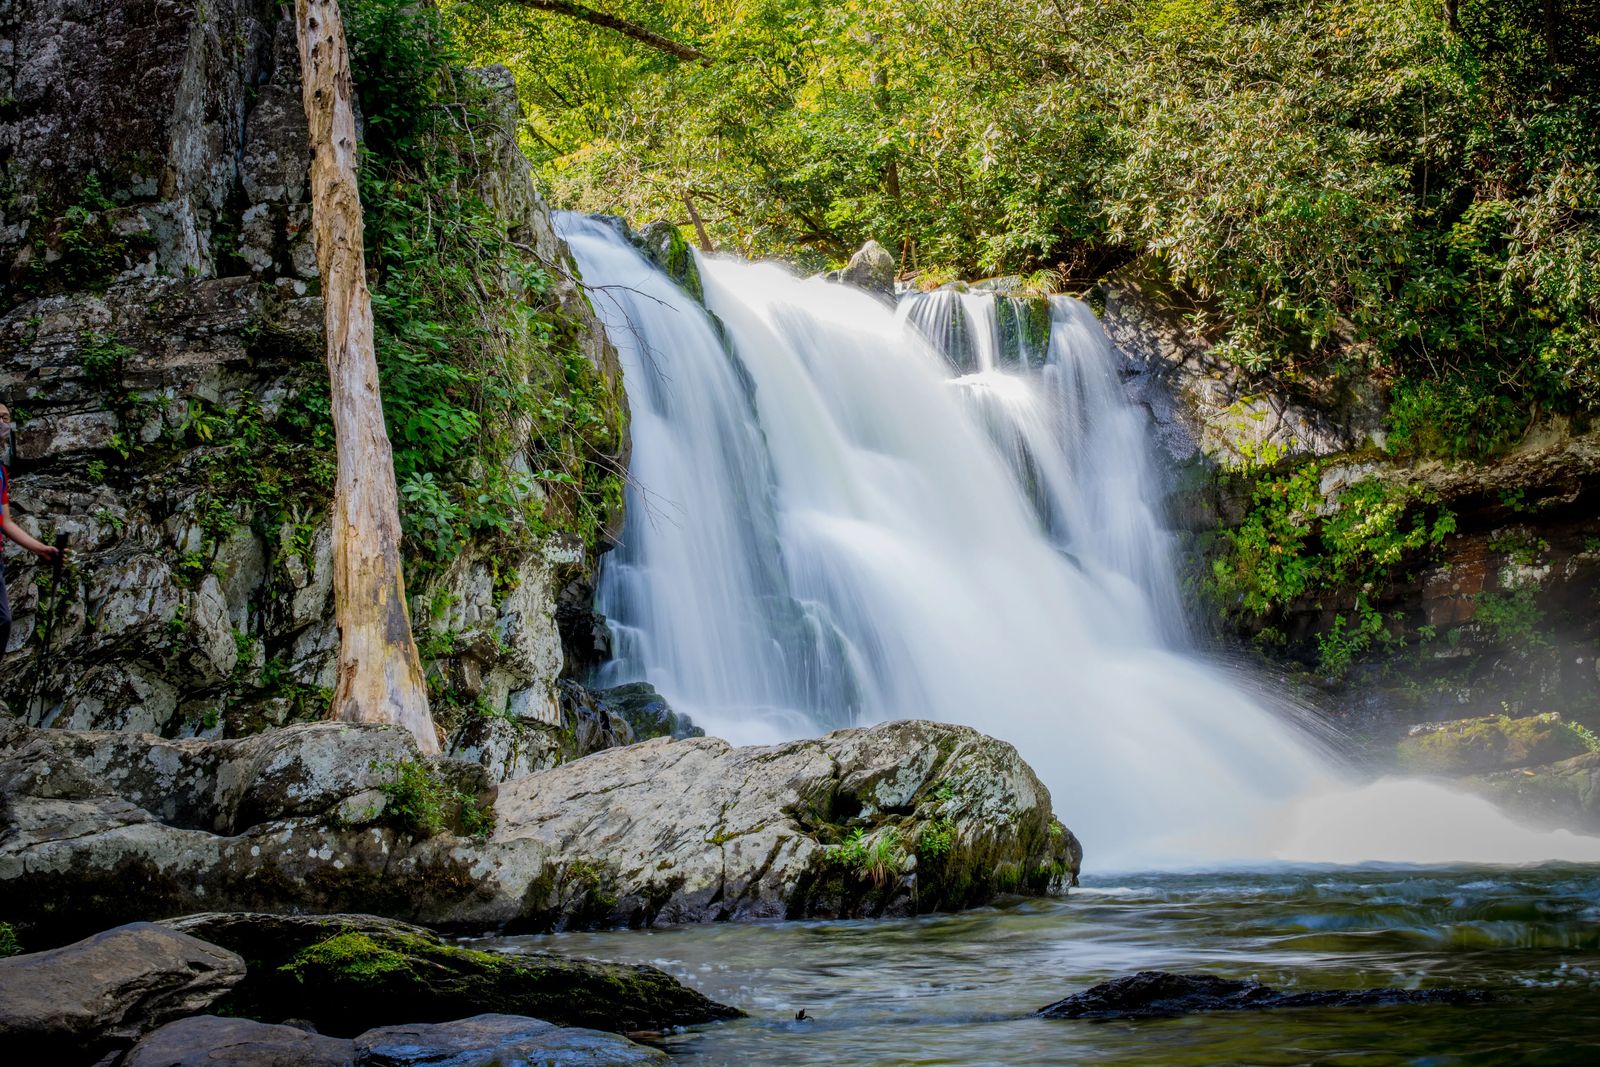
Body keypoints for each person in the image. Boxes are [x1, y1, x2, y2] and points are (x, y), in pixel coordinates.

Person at [0, 402, 66, 656]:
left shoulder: (1, 473)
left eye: (7, 418)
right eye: (0, 418)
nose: (4, 423)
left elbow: (4, 521)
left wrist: (40, 549)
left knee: (3, 621)